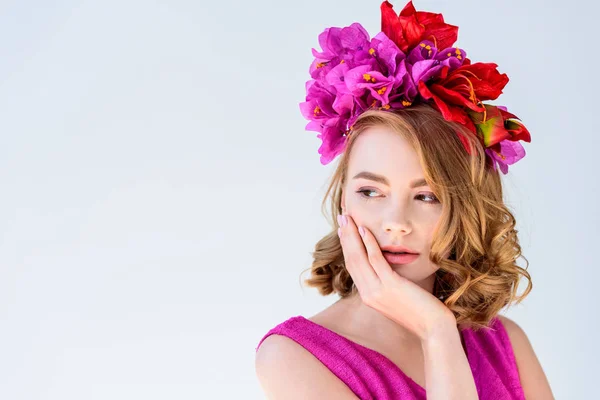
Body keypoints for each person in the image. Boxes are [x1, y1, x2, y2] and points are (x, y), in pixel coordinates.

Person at [255, 1, 554, 399]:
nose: (396, 222)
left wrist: (439, 332)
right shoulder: (294, 359)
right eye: (371, 192)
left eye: (427, 195)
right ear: (344, 199)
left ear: (465, 208)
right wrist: (436, 331)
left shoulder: (505, 343)